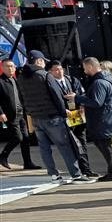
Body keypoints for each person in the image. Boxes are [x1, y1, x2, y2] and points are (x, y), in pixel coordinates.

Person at [19, 50, 89, 182]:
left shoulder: (22, 77)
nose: (44, 63)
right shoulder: (45, 75)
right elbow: (56, 96)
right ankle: (76, 174)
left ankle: (53, 175)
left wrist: (30, 112)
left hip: (36, 118)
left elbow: (22, 98)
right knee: (65, 145)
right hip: (53, 117)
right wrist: (64, 111)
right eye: (43, 61)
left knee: (44, 148)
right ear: (39, 61)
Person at [66, 57, 112, 181]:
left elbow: (97, 102)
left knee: (105, 145)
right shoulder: (106, 80)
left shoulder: (99, 82)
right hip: (107, 118)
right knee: (104, 144)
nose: (84, 72)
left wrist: (77, 98)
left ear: (90, 67)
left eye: (85, 68)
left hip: (102, 119)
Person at [46, 60, 97, 177]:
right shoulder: (50, 84)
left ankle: (86, 169)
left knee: (82, 142)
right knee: (71, 144)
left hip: (77, 115)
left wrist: (81, 103)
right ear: (50, 72)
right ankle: (76, 170)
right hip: (64, 117)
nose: (60, 72)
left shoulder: (72, 80)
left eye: (61, 69)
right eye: (56, 70)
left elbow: (83, 94)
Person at [0, 58, 41, 170]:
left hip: (21, 113)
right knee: (18, 137)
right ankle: (3, 156)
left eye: (12, 66)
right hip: (9, 114)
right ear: (2, 68)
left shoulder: (16, 80)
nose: (11, 68)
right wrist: (1, 113)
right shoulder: (1, 82)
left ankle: (27, 162)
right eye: (7, 66)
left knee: (26, 138)